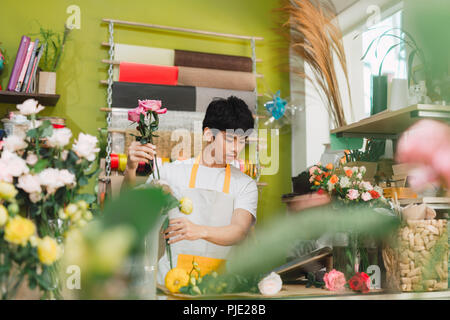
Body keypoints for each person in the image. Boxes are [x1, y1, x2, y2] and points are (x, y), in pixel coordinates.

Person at [123, 96, 258, 284]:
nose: (237, 148)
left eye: (242, 141)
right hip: (171, 284)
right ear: (208, 134)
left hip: (219, 287)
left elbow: (239, 230)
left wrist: (199, 231)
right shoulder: (171, 172)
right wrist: (130, 169)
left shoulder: (244, 184)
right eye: (230, 139)